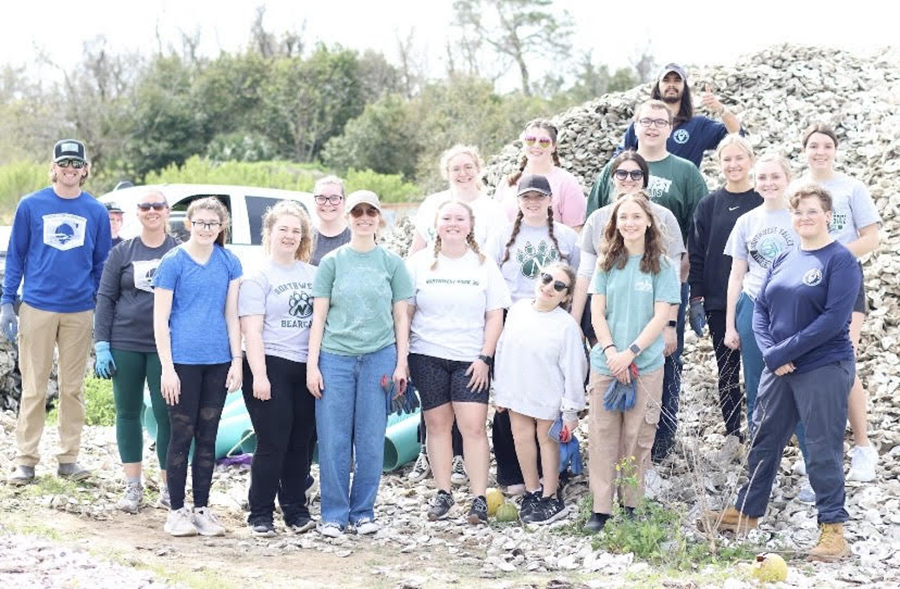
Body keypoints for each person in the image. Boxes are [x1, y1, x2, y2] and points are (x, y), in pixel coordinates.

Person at [702, 184, 860, 562]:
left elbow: (833, 320)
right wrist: (773, 353)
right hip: (781, 367)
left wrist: (783, 352)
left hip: (823, 367)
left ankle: (833, 531)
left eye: (812, 211)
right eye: (798, 212)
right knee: (764, 439)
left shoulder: (840, 261)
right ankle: (747, 512)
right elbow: (760, 308)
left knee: (822, 447)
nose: (804, 218)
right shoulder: (783, 258)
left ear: (827, 216)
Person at [588, 99, 709, 463]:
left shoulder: (684, 175)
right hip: (611, 296)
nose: (627, 180)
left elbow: (686, 249)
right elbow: (589, 249)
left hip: (661, 293)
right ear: (635, 125)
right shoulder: (604, 201)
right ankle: (609, 463)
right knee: (609, 371)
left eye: (660, 121)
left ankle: (657, 449)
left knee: (664, 366)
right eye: (646, 120)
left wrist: (674, 317)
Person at [3, 139, 112, 485]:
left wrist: (98, 305)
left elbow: (102, 264)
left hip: (79, 311)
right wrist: (7, 300)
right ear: (53, 167)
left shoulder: (95, 211)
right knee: (34, 387)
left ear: (84, 169)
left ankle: (69, 458)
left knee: (72, 388)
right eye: (63, 163)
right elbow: (16, 256)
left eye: (75, 164)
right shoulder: (30, 205)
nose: (70, 169)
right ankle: (26, 460)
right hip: (36, 307)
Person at [306, 190, 413, 538]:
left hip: (379, 357)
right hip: (335, 357)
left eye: (371, 212)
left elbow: (401, 318)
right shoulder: (332, 262)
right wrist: (312, 365)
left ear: (379, 217)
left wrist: (401, 362)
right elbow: (318, 317)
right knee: (334, 437)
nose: (364, 217)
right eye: (357, 212)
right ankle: (334, 514)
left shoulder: (392, 264)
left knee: (369, 438)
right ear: (348, 217)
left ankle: (363, 512)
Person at [407, 145, 507, 486]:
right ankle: (441, 486)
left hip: (470, 345)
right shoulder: (431, 210)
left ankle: (476, 486)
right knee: (436, 422)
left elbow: (495, 310)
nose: (462, 173)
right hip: (429, 349)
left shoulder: (492, 213)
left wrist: (486, 354)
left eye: (468, 167)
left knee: (473, 423)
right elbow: (408, 299)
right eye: (455, 168)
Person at [583, 193, 681, 533]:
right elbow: (597, 311)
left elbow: (661, 317)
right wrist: (611, 351)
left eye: (636, 216)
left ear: (649, 221)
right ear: (615, 223)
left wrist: (631, 353)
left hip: (646, 363)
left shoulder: (663, 266)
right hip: (606, 363)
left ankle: (632, 504)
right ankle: (600, 508)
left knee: (638, 435)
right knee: (602, 433)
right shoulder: (607, 262)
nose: (630, 222)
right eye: (623, 217)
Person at [795, 122, 881, 484]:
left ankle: (863, 447)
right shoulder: (795, 188)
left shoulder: (851, 188)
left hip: (844, 283)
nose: (820, 151)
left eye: (826, 145)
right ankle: (820, 450)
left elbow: (872, 237)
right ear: (805, 150)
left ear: (835, 150)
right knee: (810, 368)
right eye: (813, 145)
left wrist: (832, 255)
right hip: (804, 286)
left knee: (843, 362)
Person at [153, 197, 243, 537]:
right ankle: (176, 510)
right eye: (200, 222)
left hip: (217, 361)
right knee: (182, 434)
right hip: (182, 362)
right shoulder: (173, 262)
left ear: (221, 227)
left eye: (213, 223)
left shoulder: (229, 262)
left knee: (208, 437)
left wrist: (237, 361)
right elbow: (160, 319)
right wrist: (167, 367)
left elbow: (232, 316)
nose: (206, 228)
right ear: (189, 223)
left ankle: (202, 508)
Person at [486, 174, 580, 495]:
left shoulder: (567, 238)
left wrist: (575, 320)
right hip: (513, 318)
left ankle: (553, 475)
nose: (533, 203)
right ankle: (514, 475)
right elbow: (490, 282)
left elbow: (576, 280)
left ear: (551, 200)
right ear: (519, 201)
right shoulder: (502, 237)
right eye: (527, 197)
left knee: (549, 402)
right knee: (510, 403)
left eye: (539, 197)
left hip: (553, 322)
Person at [94, 191, 179, 512]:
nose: (152, 211)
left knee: (166, 414)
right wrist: (102, 344)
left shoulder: (178, 251)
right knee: (127, 412)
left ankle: (170, 488)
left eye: (158, 206)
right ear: (138, 213)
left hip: (165, 348)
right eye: (145, 207)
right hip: (125, 342)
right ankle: (133, 487)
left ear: (167, 211)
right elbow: (105, 298)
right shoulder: (122, 252)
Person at [239, 201, 318, 536]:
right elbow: (251, 330)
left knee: (301, 442)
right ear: (269, 233)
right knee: (273, 442)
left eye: (295, 231)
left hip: (305, 367)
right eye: (282, 229)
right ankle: (259, 513)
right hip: (269, 363)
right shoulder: (258, 277)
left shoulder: (313, 275)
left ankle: (295, 509)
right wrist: (259, 375)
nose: (289, 236)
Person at [494, 263, 586, 524]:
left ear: (566, 296)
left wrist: (571, 409)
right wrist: (499, 389)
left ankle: (550, 496)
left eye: (558, 286)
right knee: (521, 438)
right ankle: (532, 490)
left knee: (546, 441)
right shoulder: (518, 309)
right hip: (516, 389)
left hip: (548, 393)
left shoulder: (566, 325)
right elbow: (503, 348)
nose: (549, 287)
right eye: (546, 279)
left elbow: (574, 368)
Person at [688, 135, 763, 449]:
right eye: (727, 159)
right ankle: (734, 434)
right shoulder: (709, 204)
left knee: (760, 369)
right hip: (720, 301)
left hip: (760, 298)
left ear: (750, 161)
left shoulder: (763, 199)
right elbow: (697, 253)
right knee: (728, 370)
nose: (733, 165)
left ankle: (763, 432)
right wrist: (696, 297)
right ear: (719, 164)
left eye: (739, 158)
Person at [571, 151, 684, 345]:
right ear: (613, 178)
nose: (628, 179)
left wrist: (670, 325)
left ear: (645, 179)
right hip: (604, 319)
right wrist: (574, 322)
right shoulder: (597, 219)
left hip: (649, 318)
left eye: (636, 174)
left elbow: (673, 278)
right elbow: (585, 275)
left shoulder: (664, 218)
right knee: (607, 369)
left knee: (655, 373)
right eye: (621, 173)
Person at [723, 154, 799, 438]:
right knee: (757, 384)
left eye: (775, 176)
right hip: (754, 305)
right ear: (755, 183)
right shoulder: (746, 221)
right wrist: (731, 324)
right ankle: (761, 454)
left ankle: (806, 454)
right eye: (762, 177)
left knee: (800, 380)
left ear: (788, 179)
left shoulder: (800, 217)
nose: (769, 183)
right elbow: (736, 274)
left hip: (795, 309)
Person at [617, 63, 742, 168]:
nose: (671, 85)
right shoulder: (641, 125)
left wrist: (721, 109)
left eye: (677, 80)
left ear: (685, 87)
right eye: (666, 80)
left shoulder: (698, 126)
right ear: (658, 86)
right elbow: (620, 160)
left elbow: (737, 135)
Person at [496, 120, 586, 231]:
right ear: (523, 144)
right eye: (530, 140)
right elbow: (496, 226)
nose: (536, 145)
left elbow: (575, 232)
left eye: (543, 141)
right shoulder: (507, 182)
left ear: (553, 147)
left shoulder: (566, 182)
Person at [310, 176, 351, 266]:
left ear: (344, 201)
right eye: (321, 198)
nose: (327, 203)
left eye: (334, 198)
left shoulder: (355, 239)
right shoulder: (304, 236)